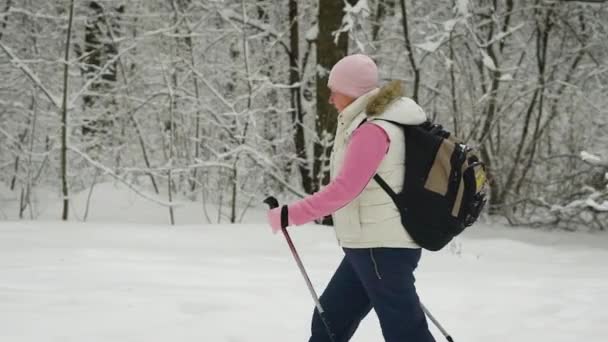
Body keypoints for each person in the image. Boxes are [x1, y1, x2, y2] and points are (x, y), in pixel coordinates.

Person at [267, 54, 436, 342]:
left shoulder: (373, 130)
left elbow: (345, 189)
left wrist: (290, 214)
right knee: (330, 321)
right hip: (369, 245)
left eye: (335, 91)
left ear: (352, 92)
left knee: (405, 333)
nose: (331, 98)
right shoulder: (374, 123)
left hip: (382, 247)